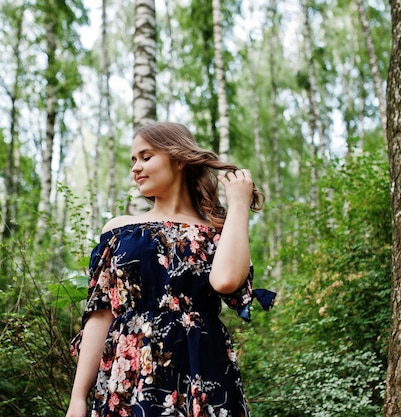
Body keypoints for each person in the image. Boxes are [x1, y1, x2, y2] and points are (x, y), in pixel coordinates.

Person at [65, 121, 275, 417]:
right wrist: (78, 398)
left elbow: (226, 280)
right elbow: (100, 315)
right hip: (131, 375)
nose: (136, 168)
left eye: (146, 157)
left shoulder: (218, 233)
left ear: (178, 160)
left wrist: (239, 205)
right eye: (133, 160)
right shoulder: (119, 230)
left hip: (203, 373)